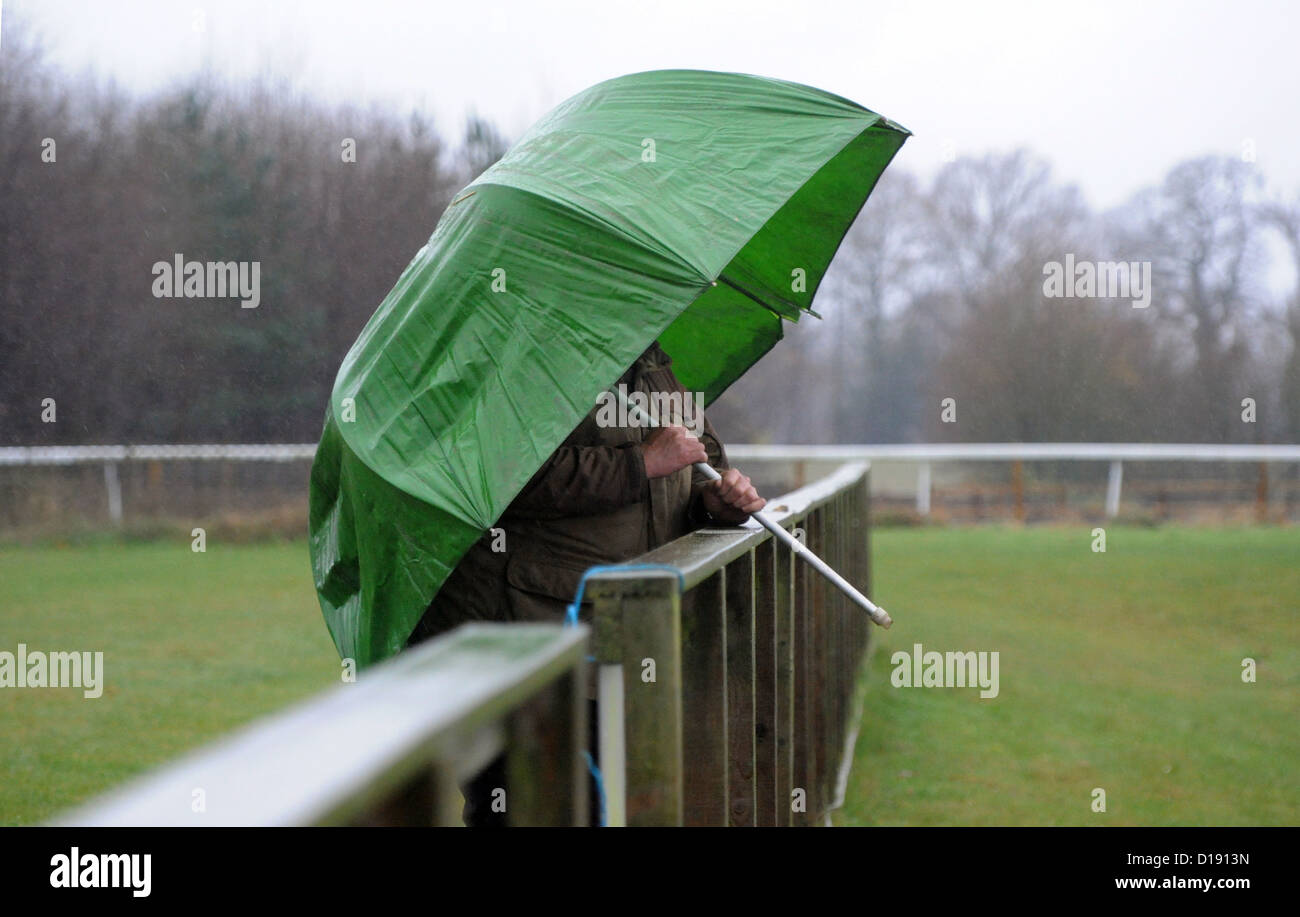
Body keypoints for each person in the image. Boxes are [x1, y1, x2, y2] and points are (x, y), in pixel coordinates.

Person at [406, 340, 764, 825]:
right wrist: (641, 463)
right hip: (520, 624)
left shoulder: (653, 359)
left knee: (606, 804)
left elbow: (699, 464)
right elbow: (494, 473)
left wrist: (716, 501)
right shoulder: (514, 355)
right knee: (530, 806)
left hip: (617, 630)